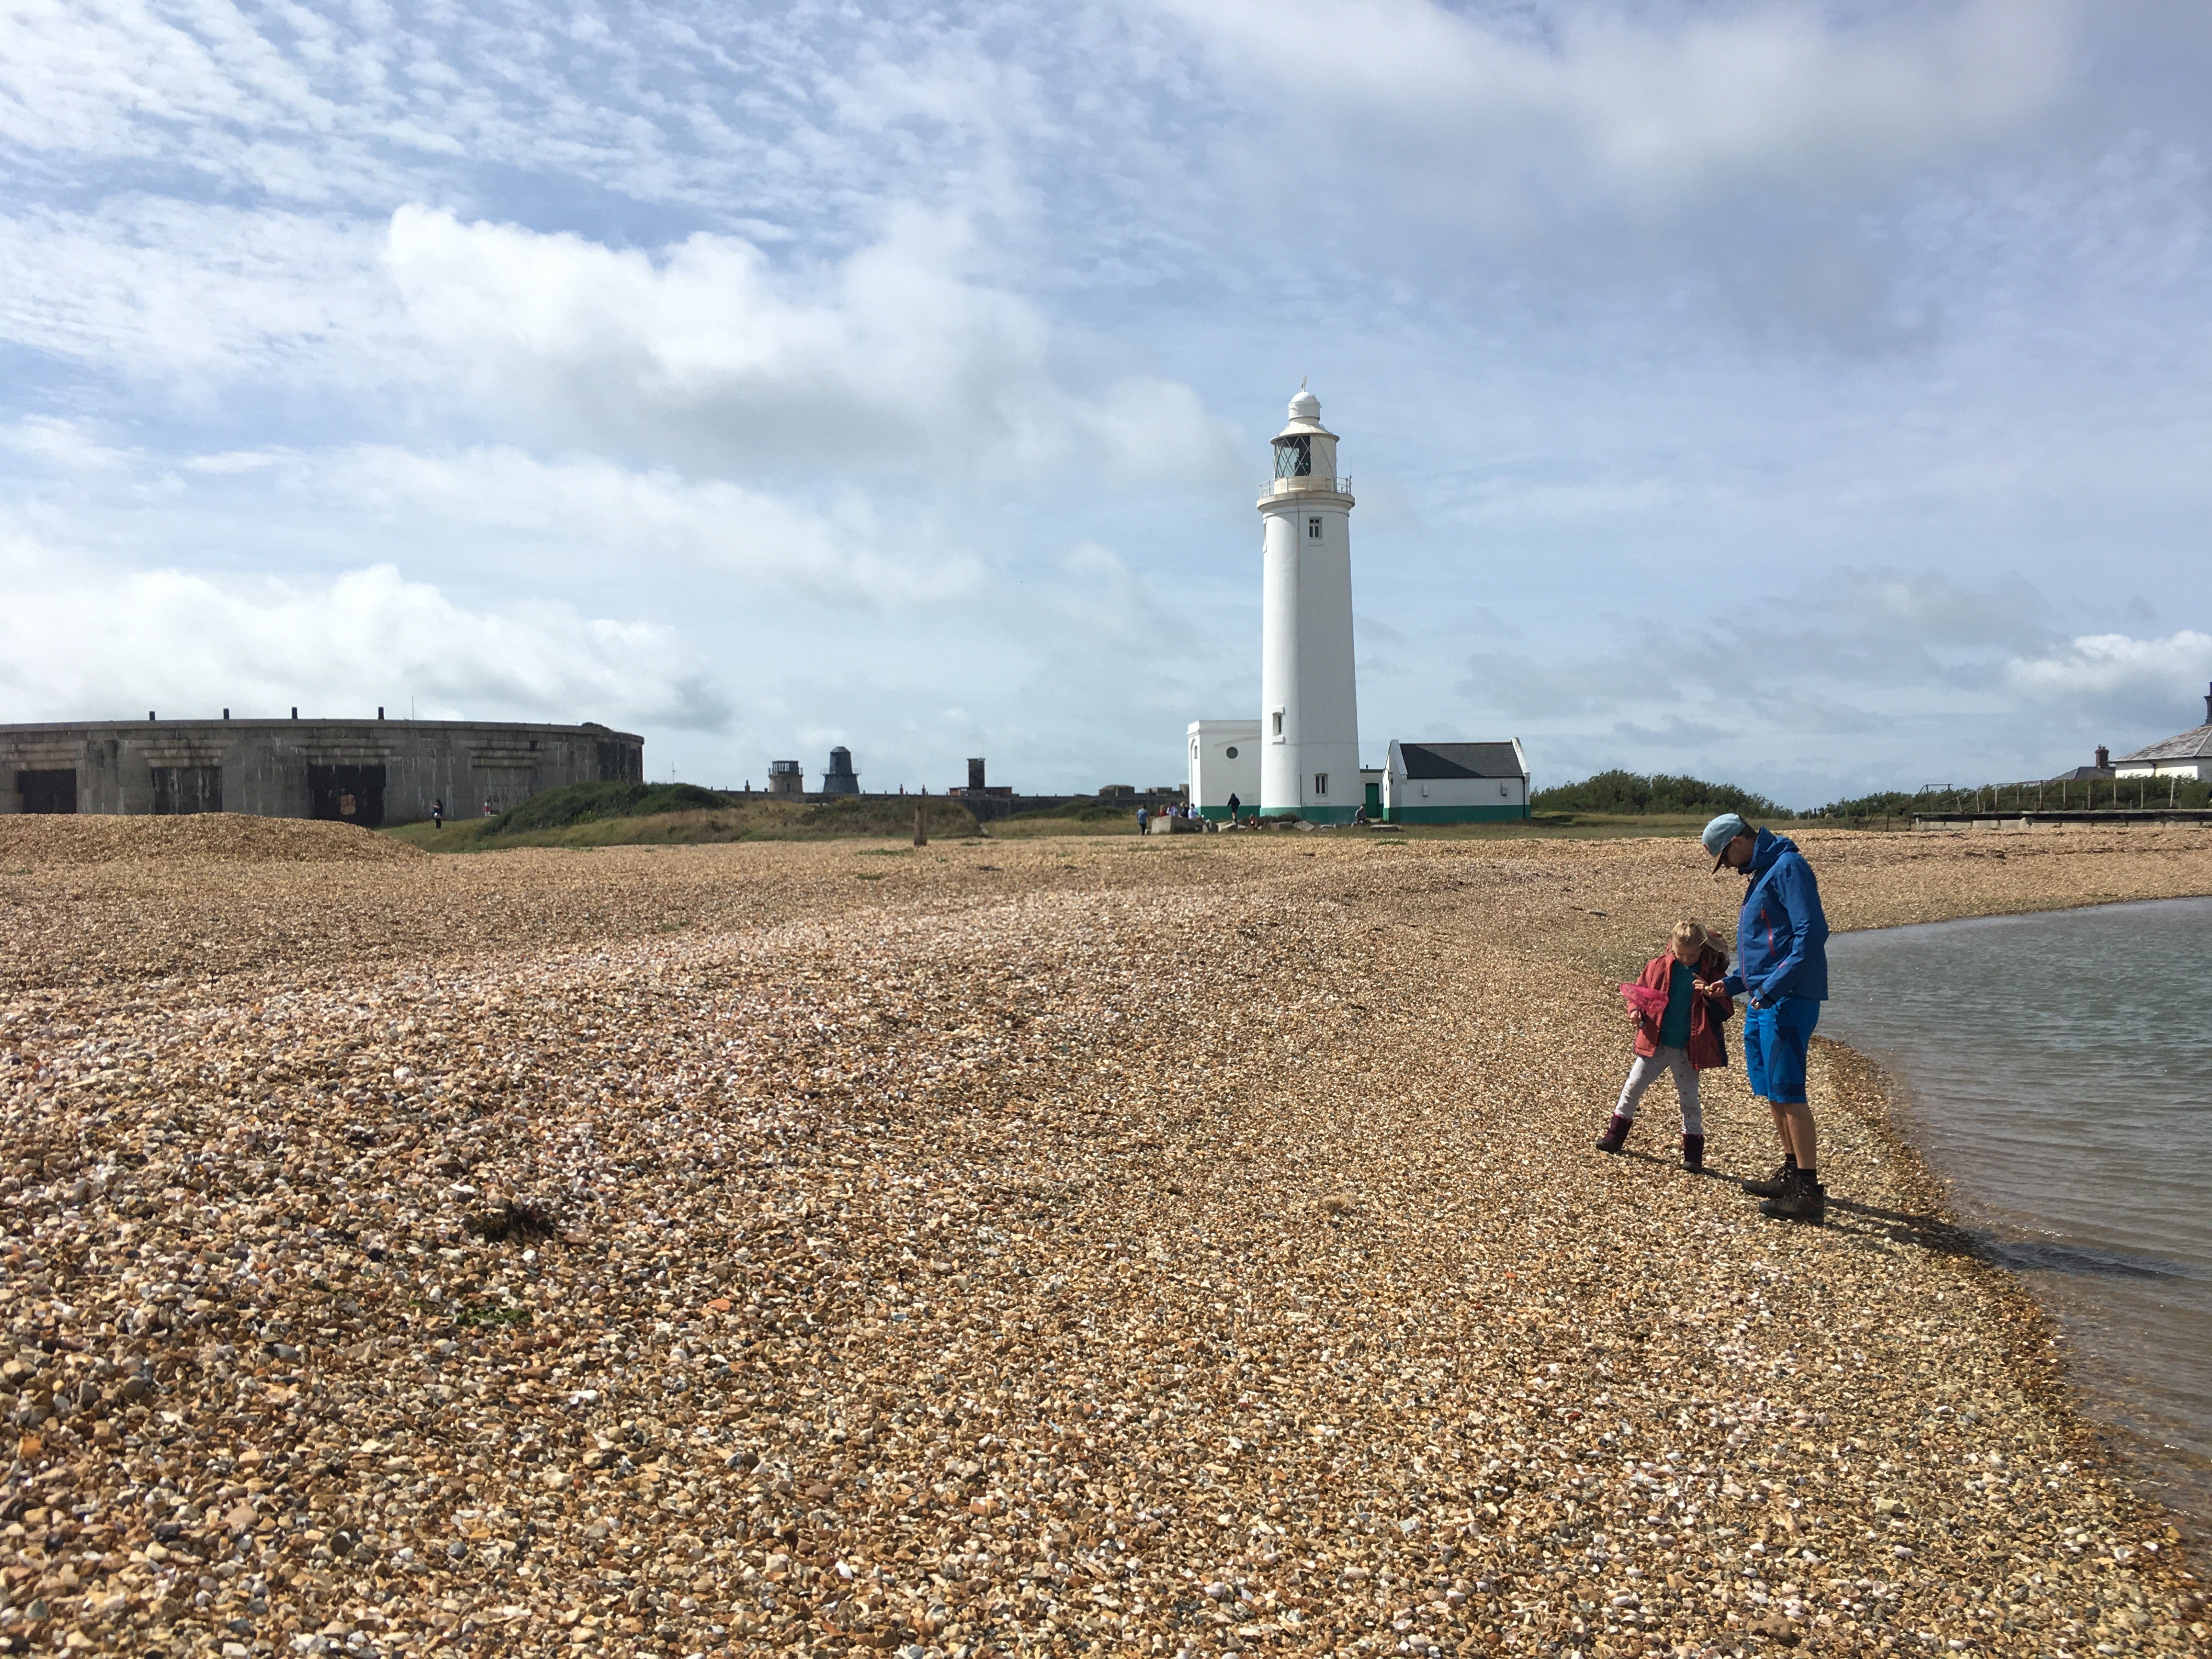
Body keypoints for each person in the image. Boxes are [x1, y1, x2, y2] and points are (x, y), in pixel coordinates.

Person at [1702, 812, 1831, 1222]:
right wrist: (1737, 983)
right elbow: (1767, 946)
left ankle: (1808, 1192)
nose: (1730, 868)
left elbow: (1811, 935)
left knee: (1790, 1089)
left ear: (1740, 840)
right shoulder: (1763, 871)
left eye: (1726, 859)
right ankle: (1792, 1172)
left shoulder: (1788, 866)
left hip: (1787, 997)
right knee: (1774, 1088)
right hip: (1764, 996)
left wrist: (1772, 989)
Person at [1597, 920, 1734, 1170]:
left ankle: (1693, 1156)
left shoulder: (1711, 973)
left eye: (1692, 955)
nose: (1685, 959)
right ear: (1672, 946)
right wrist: (1635, 1010)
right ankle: (1614, 1137)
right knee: (1633, 1087)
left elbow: (1725, 1012)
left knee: (1689, 1100)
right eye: (1680, 954)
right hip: (1655, 1043)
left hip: (1688, 1048)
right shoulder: (1657, 966)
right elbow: (1639, 993)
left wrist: (1709, 994)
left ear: (1703, 949)